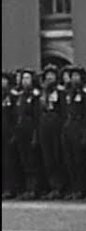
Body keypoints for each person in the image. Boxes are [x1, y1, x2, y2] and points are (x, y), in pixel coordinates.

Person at [59, 66, 86, 199]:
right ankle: (75, 188)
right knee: (70, 159)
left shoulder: (85, 94)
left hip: (80, 126)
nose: (74, 79)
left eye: (76, 76)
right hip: (69, 126)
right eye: (72, 76)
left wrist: (85, 132)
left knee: (81, 160)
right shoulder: (68, 93)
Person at [37, 66, 66, 198]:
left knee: (57, 155)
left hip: (56, 123)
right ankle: (52, 186)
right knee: (47, 157)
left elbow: (64, 110)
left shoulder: (60, 92)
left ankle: (61, 186)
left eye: (52, 75)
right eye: (47, 75)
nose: (49, 78)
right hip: (44, 124)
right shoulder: (42, 93)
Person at [13, 70, 42, 198]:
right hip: (20, 130)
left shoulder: (35, 95)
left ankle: (34, 188)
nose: (25, 81)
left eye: (27, 78)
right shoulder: (20, 96)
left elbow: (37, 116)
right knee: (23, 159)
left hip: (30, 129)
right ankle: (26, 188)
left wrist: (36, 134)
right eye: (23, 78)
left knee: (32, 160)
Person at [1, 72, 18, 199]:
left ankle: (9, 188)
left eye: (4, 80)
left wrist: (14, 133)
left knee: (8, 162)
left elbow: (15, 115)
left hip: (8, 133)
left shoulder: (12, 96)